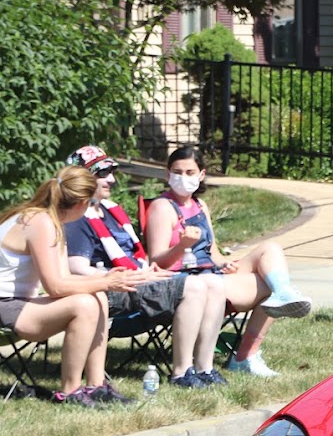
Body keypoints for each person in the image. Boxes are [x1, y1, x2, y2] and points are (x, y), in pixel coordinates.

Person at [63, 145, 230, 388]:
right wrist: (126, 276)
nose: (111, 179)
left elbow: (135, 255)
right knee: (193, 286)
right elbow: (75, 267)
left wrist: (146, 271)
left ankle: (204, 368)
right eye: (102, 174)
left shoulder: (109, 210)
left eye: (111, 172)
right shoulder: (78, 216)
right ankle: (182, 372)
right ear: (81, 178)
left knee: (214, 283)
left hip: (134, 279)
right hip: (112, 289)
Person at [0, 166, 164, 405]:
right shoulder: (41, 222)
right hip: (6, 305)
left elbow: (64, 277)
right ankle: (69, 391)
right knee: (85, 304)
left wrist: (106, 280)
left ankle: (96, 385)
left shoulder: (48, 218)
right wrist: (106, 280)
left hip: (18, 303)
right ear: (82, 203)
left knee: (96, 294)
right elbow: (55, 287)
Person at [143, 146, 312, 378]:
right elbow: (157, 261)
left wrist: (224, 264)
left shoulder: (200, 206)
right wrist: (181, 246)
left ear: (201, 175)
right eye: (177, 172)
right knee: (267, 288)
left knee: (270, 249)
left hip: (211, 272)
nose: (183, 178)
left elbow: (212, 252)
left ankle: (283, 293)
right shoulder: (162, 207)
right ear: (168, 174)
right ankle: (245, 355)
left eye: (190, 172)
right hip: (186, 280)